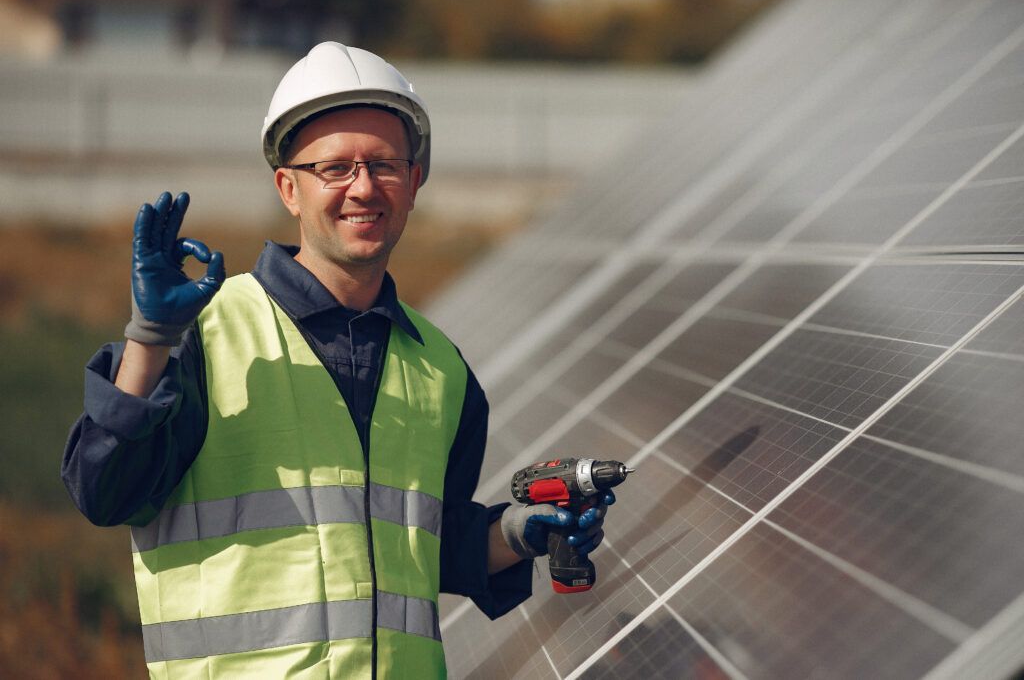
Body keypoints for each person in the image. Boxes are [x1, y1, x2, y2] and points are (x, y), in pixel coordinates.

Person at [61, 42, 614, 678]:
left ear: (414, 181)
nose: (363, 187)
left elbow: (413, 555)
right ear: (288, 188)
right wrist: (150, 337)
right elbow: (104, 492)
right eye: (336, 168)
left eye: (383, 165)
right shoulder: (208, 336)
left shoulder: (442, 369)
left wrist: (516, 536)